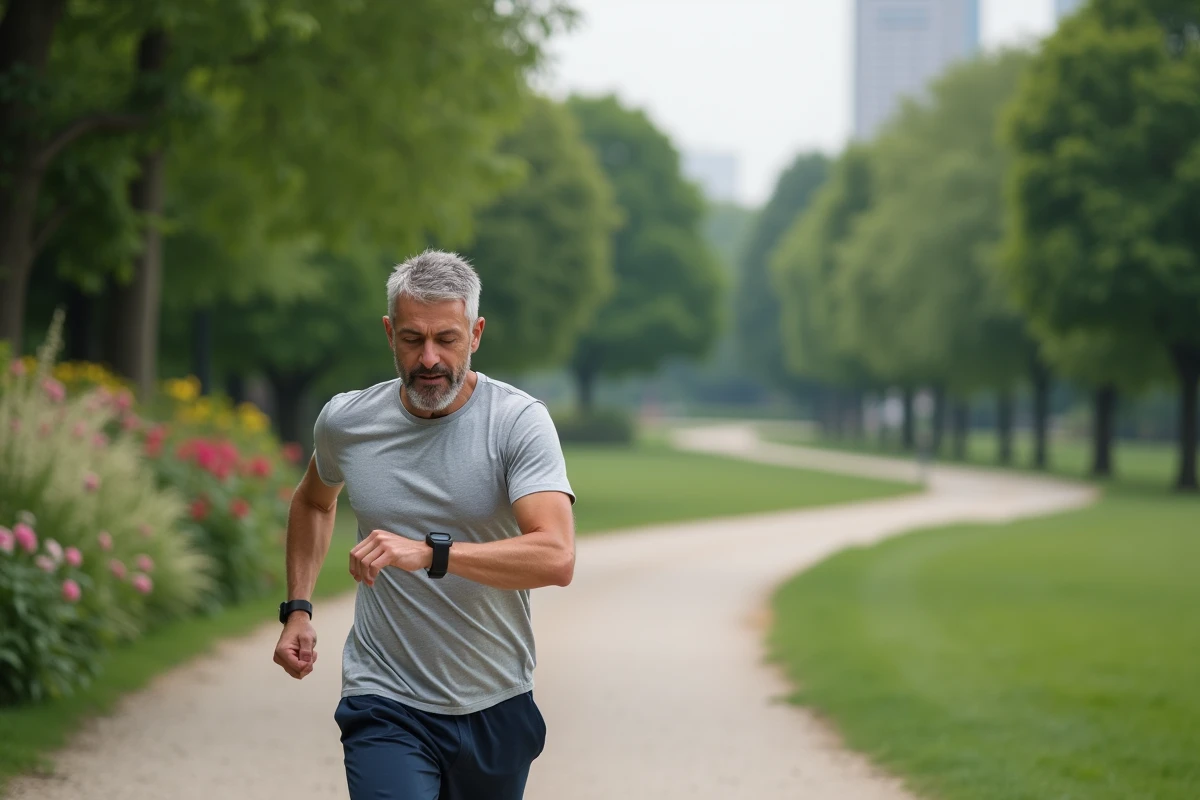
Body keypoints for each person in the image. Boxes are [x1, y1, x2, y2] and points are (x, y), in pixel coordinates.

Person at [272, 249, 577, 800]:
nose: (429, 358)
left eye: (447, 339)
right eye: (412, 339)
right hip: (384, 696)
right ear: (390, 333)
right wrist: (298, 608)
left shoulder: (517, 421)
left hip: (494, 698)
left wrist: (432, 553)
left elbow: (555, 556)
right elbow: (314, 502)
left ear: (476, 334)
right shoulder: (347, 421)